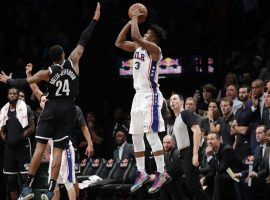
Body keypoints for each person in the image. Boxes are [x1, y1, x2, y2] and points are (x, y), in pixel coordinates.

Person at [0, 3, 100, 200]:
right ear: (63, 55)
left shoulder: (47, 72)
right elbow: (83, 39)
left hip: (52, 108)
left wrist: (8, 81)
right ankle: (51, 187)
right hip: (68, 109)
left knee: (40, 147)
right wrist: (95, 19)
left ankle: (27, 186)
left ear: (52, 59)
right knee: (58, 151)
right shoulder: (74, 61)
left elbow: (27, 82)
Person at [115, 5, 170, 194]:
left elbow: (137, 37)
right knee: (136, 135)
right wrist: (131, 21)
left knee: (151, 134)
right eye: (145, 31)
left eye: (148, 32)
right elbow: (119, 42)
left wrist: (135, 19)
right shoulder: (138, 46)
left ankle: (162, 172)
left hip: (151, 96)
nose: (145, 34)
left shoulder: (155, 49)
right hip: (137, 96)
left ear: (153, 37)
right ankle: (142, 172)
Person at [25, 63, 94, 200]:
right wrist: (28, 75)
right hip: (54, 148)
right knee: (53, 183)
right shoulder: (46, 100)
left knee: (70, 181)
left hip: (65, 146)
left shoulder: (72, 107)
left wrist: (90, 143)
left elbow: (84, 127)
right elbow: (34, 86)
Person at [167, 93, 209, 199]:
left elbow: (197, 132)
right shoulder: (176, 119)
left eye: (175, 99)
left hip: (190, 152)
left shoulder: (185, 113)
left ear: (181, 102)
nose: (172, 101)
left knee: (194, 187)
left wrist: (195, 154)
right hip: (182, 155)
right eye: (171, 99)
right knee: (168, 177)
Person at [0, 87, 35, 200]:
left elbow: (32, 127)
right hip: (10, 148)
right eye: (10, 93)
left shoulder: (26, 108)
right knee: (11, 179)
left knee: (25, 176)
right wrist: (6, 140)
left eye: (15, 94)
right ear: (7, 95)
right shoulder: (4, 110)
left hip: (23, 145)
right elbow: (1, 129)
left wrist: (19, 137)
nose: (12, 95)